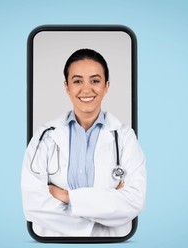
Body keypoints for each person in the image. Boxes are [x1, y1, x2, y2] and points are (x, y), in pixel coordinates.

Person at [21, 48, 146, 237]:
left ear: (106, 86)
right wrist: (105, 209)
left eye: (95, 81)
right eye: (77, 81)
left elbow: (133, 202)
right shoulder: (45, 136)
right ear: (66, 87)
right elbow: (33, 205)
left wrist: (67, 197)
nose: (86, 89)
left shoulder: (125, 137)